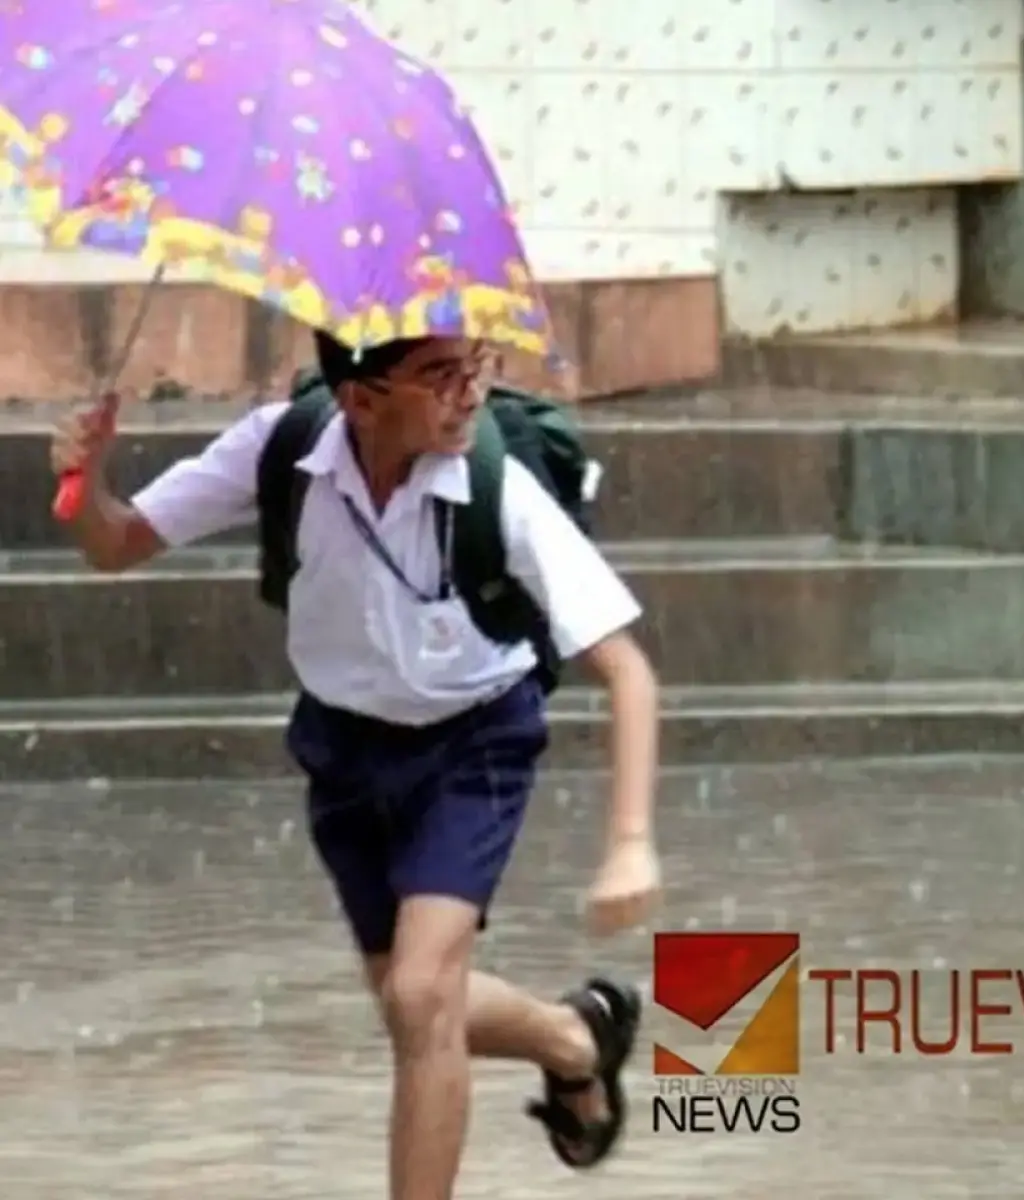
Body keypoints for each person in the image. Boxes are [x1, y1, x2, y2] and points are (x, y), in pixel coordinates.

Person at [49, 332, 665, 1199]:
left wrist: (630, 840)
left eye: (474, 368)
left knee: (420, 995)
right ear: (361, 399)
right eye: (438, 376)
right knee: (412, 1003)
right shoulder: (283, 446)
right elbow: (115, 544)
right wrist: (86, 481)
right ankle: (573, 1039)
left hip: (474, 741)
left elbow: (627, 671)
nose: (468, 395)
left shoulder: (496, 489)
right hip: (343, 747)